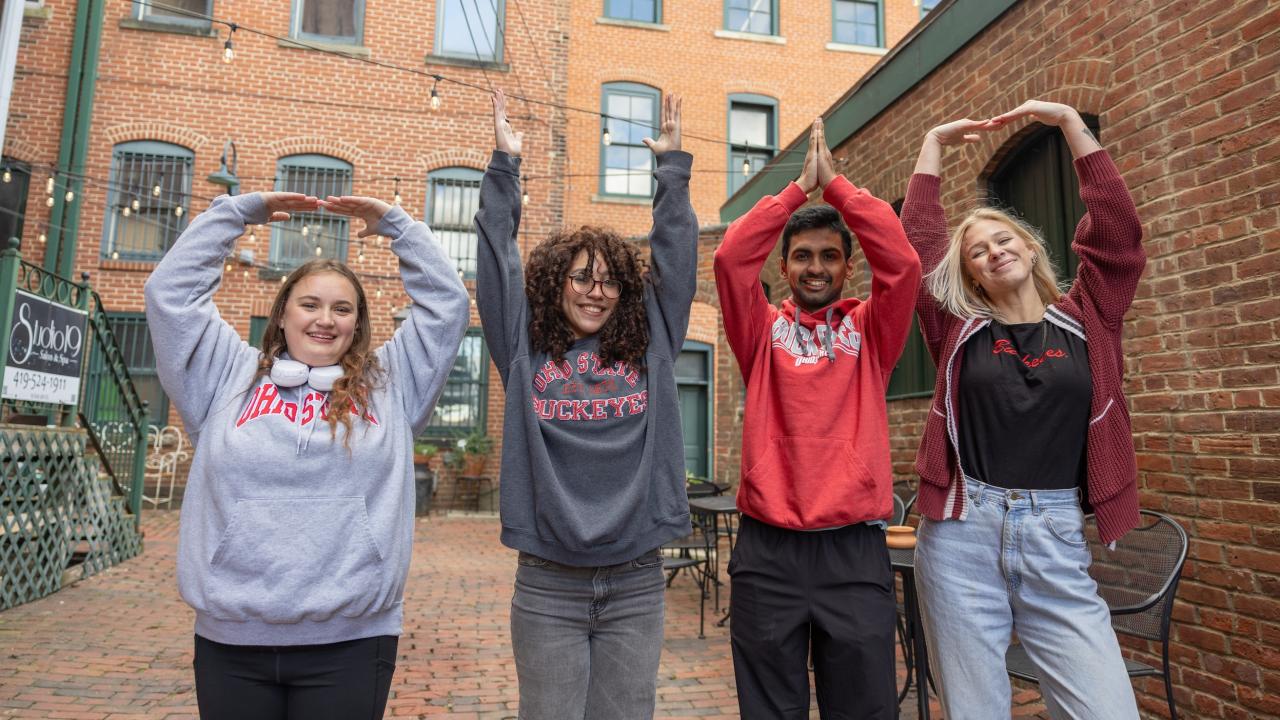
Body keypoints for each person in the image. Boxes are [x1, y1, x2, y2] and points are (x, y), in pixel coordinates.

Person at [143, 190, 469, 719]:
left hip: (352, 642)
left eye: (343, 309)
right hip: (232, 640)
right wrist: (234, 216)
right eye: (310, 304)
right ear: (283, 314)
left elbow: (448, 305)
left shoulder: (391, 385)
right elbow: (169, 297)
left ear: (357, 324)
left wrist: (398, 227)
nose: (326, 320)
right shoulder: (227, 375)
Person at [901, 100, 1145, 719]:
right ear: (973, 279)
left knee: (1107, 710)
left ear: (1031, 248)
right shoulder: (958, 330)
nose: (992, 252)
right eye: (977, 253)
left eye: (1002, 239)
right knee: (975, 709)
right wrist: (931, 142)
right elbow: (921, 246)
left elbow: (1117, 233)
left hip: (1055, 533)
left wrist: (1070, 124)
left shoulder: (1089, 315)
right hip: (960, 534)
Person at [472, 88, 696, 720]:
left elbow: (677, 260)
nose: (596, 292)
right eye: (580, 276)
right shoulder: (524, 345)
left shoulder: (650, 342)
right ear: (555, 283)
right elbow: (495, 258)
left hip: (636, 579)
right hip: (547, 582)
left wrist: (671, 174)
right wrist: (503, 168)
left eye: (610, 280)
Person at [713, 118, 921, 719]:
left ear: (846, 269)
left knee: (863, 710)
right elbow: (730, 259)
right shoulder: (760, 334)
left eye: (830, 257)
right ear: (784, 268)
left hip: (852, 554)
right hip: (768, 555)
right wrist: (796, 191)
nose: (815, 267)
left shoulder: (871, 334)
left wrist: (840, 190)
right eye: (802, 256)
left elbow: (902, 263)